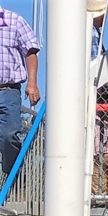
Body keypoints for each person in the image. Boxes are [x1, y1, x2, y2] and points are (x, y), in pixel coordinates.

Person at [0, 6, 41, 176]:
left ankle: (13, 177)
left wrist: (32, 83)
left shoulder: (14, 21)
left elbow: (30, 51)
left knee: (9, 135)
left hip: (8, 91)